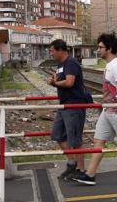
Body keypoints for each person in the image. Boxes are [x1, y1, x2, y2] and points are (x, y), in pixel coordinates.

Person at [73, 33, 117, 186]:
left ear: (109, 48)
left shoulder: (116, 66)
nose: (98, 50)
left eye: (100, 47)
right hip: (108, 111)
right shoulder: (109, 65)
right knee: (99, 139)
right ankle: (90, 175)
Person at [47, 39, 88, 181]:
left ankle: (81, 170)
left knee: (75, 140)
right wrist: (54, 83)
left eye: (52, 50)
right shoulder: (60, 65)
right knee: (57, 134)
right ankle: (72, 163)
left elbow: (69, 82)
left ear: (60, 50)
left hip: (74, 105)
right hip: (64, 104)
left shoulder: (71, 63)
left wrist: (55, 83)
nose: (50, 53)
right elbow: (60, 82)